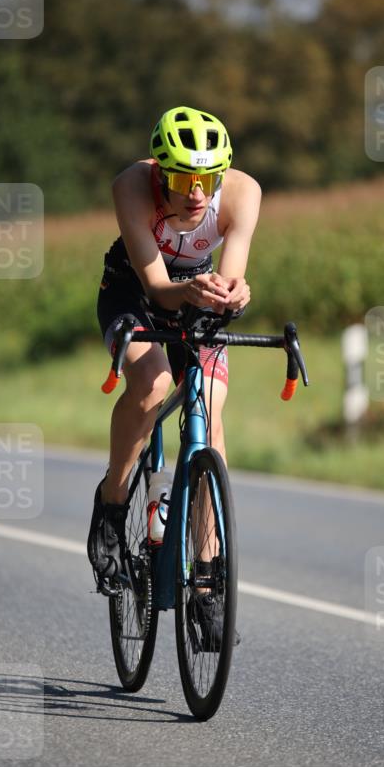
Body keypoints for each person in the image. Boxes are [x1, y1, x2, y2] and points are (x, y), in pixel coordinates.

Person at [88, 106, 261, 645]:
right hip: (138, 291)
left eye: (207, 179)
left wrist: (234, 293)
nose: (197, 193)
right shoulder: (132, 187)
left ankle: (207, 582)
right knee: (156, 382)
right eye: (184, 180)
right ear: (159, 172)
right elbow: (160, 288)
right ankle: (113, 507)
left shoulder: (243, 193)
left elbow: (227, 282)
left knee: (208, 403)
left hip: (195, 295)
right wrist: (187, 292)